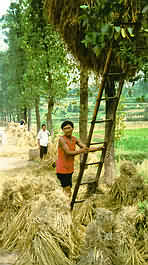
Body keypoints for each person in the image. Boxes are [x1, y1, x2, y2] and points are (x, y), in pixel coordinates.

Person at [56, 120, 103, 198]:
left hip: (70, 168)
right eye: (65, 128)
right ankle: (66, 205)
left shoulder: (74, 139)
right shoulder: (62, 139)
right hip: (62, 169)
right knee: (67, 189)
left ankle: (65, 203)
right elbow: (68, 152)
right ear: (63, 130)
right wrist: (81, 151)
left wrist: (98, 148)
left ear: (72, 128)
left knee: (68, 189)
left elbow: (85, 148)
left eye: (69, 128)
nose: (67, 130)